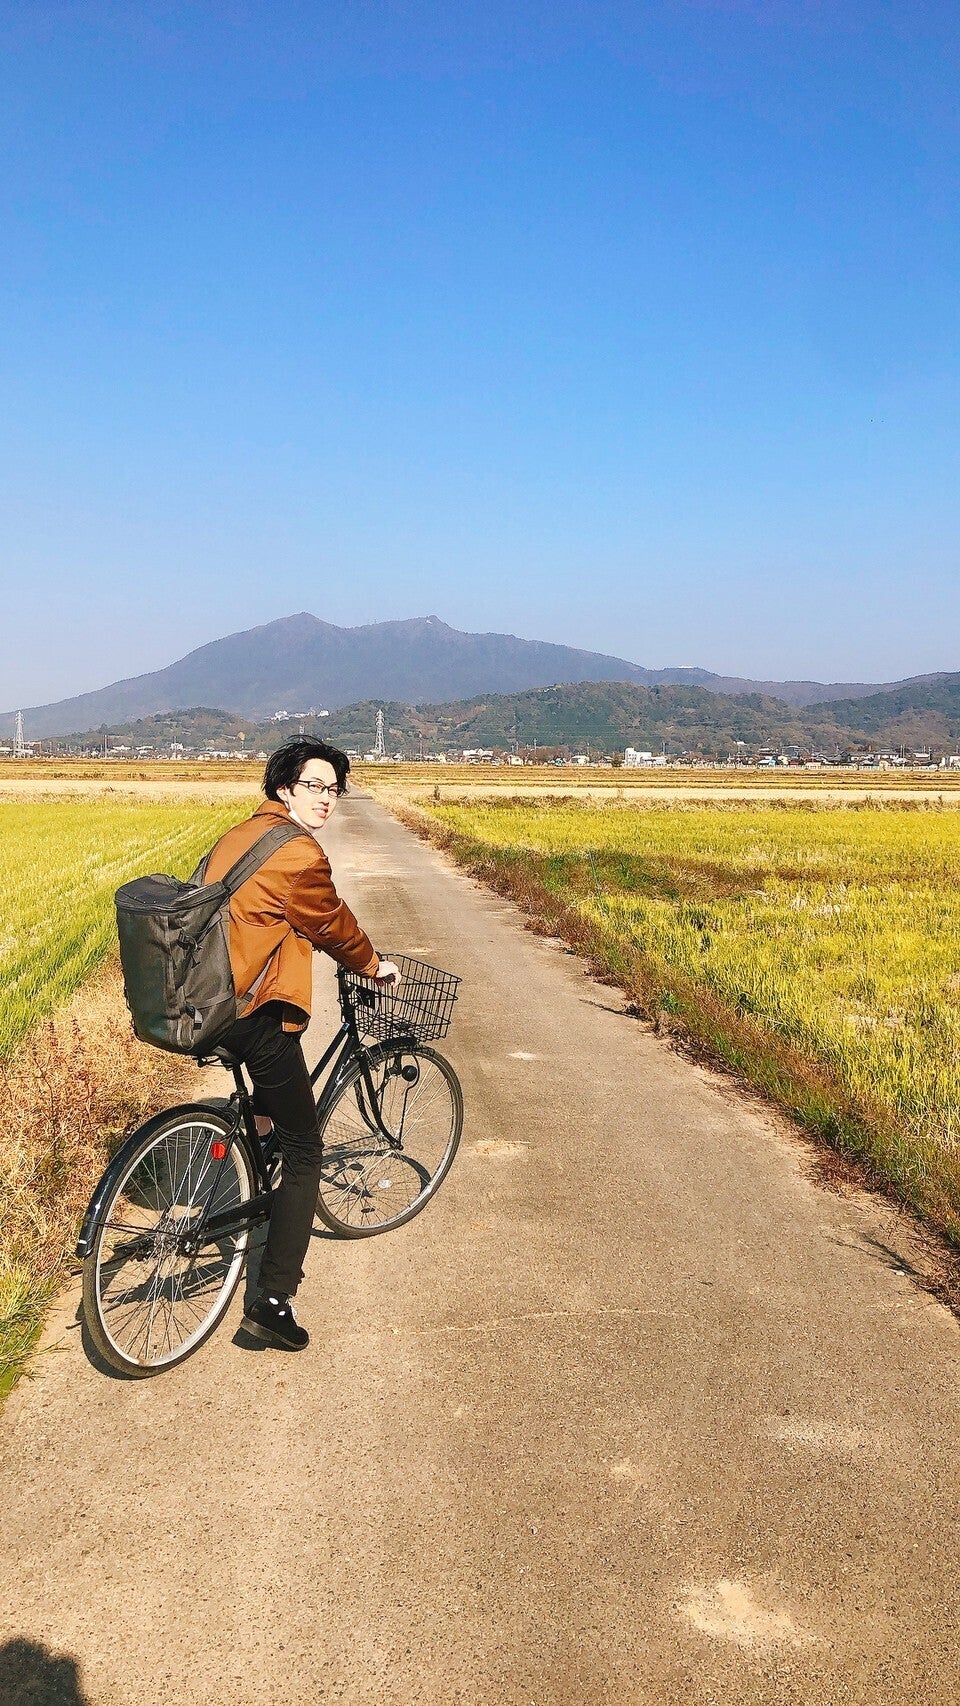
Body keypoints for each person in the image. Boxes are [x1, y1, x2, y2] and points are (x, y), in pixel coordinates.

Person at [204, 739, 399, 1351]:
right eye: (314, 785)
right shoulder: (298, 853)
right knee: (307, 1149)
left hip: (210, 1000)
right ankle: (272, 1302)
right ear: (284, 788)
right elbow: (331, 921)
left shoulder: (243, 833)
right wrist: (373, 965)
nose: (326, 798)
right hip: (253, 1010)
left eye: (333, 789)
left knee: (274, 1097)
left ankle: (252, 1150)